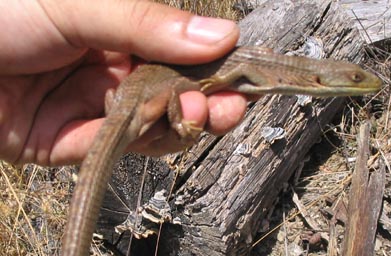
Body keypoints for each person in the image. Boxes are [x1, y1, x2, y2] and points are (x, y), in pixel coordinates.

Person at [0, 0, 248, 166]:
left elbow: (119, 98)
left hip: (119, 107)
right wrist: (177, 122)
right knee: (173, 107)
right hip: (124, 107)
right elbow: (170, 95)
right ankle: (172, 124)